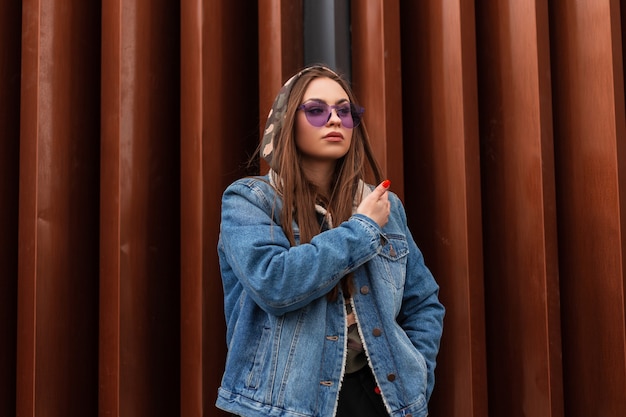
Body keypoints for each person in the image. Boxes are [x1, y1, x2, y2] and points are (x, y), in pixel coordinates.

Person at [216, 65, 444, 417]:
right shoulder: (249, 201)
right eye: (317, 110)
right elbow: (275, 284)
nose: (335, 120)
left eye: (345, 111)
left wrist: (416, 375)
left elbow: (423, 301)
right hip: (286, 404)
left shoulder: (384, 206)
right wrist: (363, 229)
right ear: (288, 121)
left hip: (378, 398)